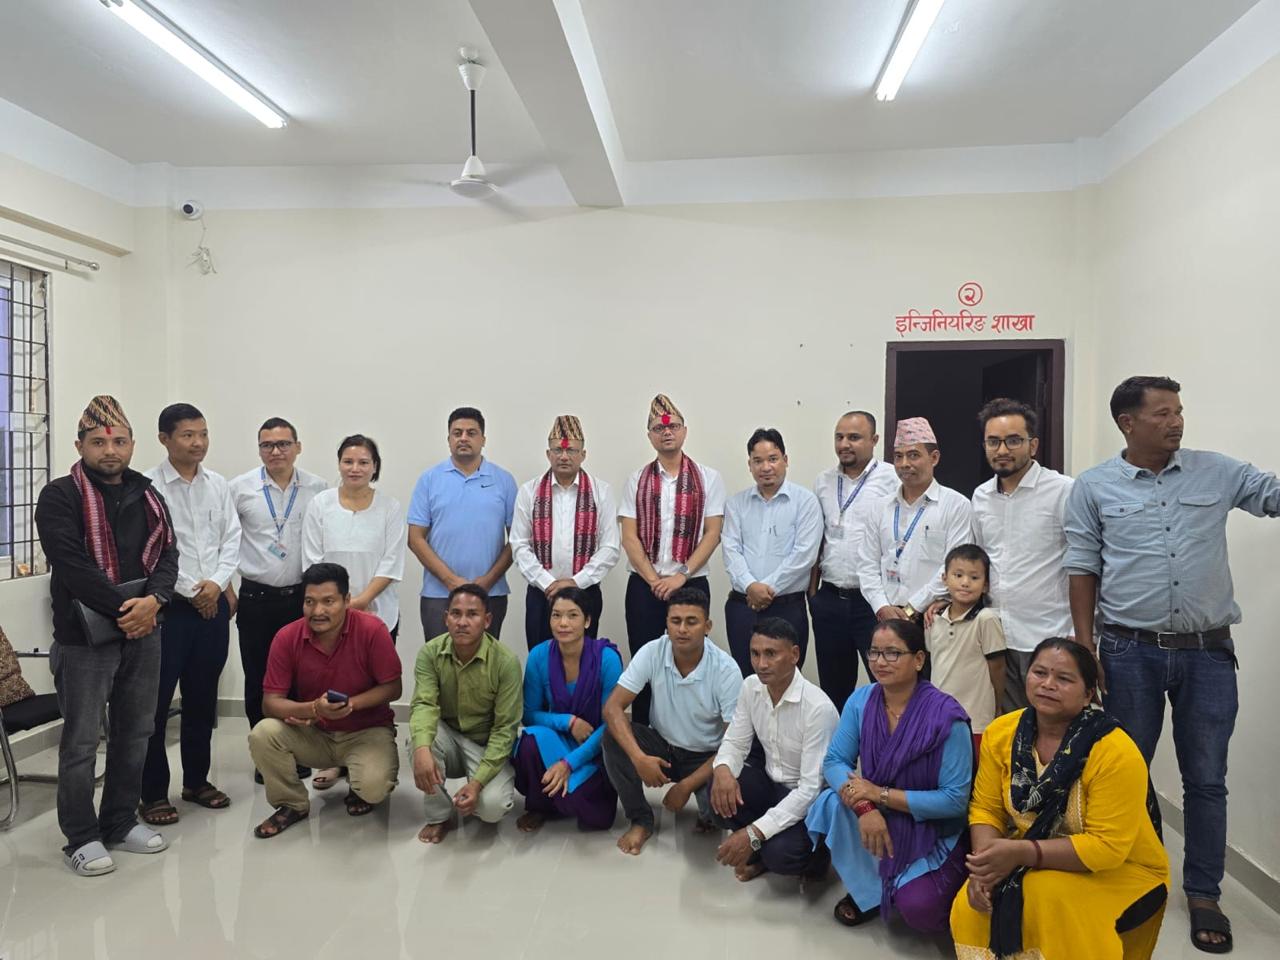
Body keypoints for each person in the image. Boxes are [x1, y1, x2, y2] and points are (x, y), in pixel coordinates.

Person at [1065, 375, 1279, 953]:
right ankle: (1132, 874)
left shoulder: (1218, 471)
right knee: (1124, 773)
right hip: (1127, 651)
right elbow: (1082, 566)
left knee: (1206, 778)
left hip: (1207, 653)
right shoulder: (1094, 487)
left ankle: (1204, 892)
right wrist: (1085, 646)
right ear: (1127, 422)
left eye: (1178, 411)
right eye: (1161, 413)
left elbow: (1272, 495)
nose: (1176, 421)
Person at [950, 638, 1170, 960]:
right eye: (1040, 673)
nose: (1048, 684)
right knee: (970, 907)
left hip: (1118, 868)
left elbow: (1107, 848)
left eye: (1064, 678)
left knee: (1045, 899)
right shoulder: (1002, 732)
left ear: (1088, 694)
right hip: (1026, 851)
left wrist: (1019, 853)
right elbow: (986, 808)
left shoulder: (1114, 751)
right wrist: (986, 868)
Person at [35, 396, 178, 876]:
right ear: (80, 446)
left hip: (144, 633)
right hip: (83, 639)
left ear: (132, 444)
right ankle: (81, 836)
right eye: (98, 442)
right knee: (81, 743)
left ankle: (118, 822)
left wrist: (155, 601)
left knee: (135, 732)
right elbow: (72, 565)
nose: (110, 450)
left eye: (118, 441)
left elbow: (168, 555)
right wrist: (128, 611)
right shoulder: (60, 496)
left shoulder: (148, 494)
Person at [806, 619, 972, 932]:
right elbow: (835, 761)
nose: (880, 662)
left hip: (929, 826)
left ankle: (899, 883)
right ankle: (872, 891)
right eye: (874, 652)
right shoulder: (861, 700)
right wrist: (865, 808)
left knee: (919, 909)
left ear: (919, 659)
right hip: (878, 814)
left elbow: (954, 801)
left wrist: (879, 795)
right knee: (830, 802)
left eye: (893, 653)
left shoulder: (947, 718)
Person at [140, 403, 241, 826]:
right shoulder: (147, 487)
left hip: (212, 606)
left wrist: (216, 583)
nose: (198, 443)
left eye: (203, 433)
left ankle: (197, 781)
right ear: (164, 439)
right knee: (156, 704)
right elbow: (151, 550)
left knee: (202, 699)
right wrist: (194, 591)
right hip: (168, 609)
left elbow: (231, 538)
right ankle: (152, 794)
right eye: (187, 435)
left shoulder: (218, 484)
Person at [247, 563, 403, 838]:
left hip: (366, 731)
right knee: (263, 733)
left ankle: (358, 783)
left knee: (373, 789)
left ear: (346, 600)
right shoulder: (287, 637)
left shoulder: (372, 630)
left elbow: (393, 688)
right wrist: (313, 709)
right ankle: (292, 803)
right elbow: (270, 703)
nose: (318, 611)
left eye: (328, 601)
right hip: (315, 732)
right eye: (310, 602)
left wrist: (350, 705)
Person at [601, 587, 741, 856]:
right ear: (666, 623)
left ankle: (706, 814)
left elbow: (733, 743)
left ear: (707, 626)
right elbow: (612, 708)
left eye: (692, 621)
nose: (682, 629)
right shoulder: (653, 651)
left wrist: (685, 786)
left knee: (720, 813)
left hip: (705, 756)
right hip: (662, 746)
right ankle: (640, 819)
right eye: (675, 621)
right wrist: (639, 759)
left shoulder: (726, 670)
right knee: (612, 737)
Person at [302, 433, 406, 792]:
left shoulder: (390, 508)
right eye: (348, 461)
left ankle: (370, 755)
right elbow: (313, 560)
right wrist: (336, 606)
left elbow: (391, 562)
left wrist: (358, 603)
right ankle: (333, 759)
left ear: (375, 467)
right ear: (339, 464)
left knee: (372, 687)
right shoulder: (321, 504)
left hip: (377, 613)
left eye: (363, 462)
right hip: (327, 614)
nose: (355, 468)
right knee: (329, 684)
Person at [618, 394, 725, 725]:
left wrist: (680, 576)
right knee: (644, 663)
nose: (667, 432)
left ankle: (691, 734)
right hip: (645, 585)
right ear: (649, 436)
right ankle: (643, 735)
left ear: (684, 431)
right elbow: (629, 536)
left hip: (691, 583)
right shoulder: (637, 480)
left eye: (673, 426)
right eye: (658, 428)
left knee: (691, 661)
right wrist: (654, 580)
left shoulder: (708, 478)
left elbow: (712, 533)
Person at [709, 618, 838, 882]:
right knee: (719, 787)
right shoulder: (751, 687)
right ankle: (760, 849)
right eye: (755, 653)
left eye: (771, 654)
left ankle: (817, 857)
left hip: (809, 802)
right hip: (771, 784)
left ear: (794, 655)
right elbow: (735, 742)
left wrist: (753, 832)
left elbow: (810, 790)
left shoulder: (818, 708)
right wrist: (722, 770)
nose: (761, 664)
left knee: (781, 854)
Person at [228, 417, 328, 754]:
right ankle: (265, 754)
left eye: (283, 444)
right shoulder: (240, 488)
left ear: (297, 447)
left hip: (301, 599)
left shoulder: (317, 488)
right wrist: (227, 588)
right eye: (267, 445)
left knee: (302, 677)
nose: (275, 451)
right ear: (259, 450)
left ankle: (300, 750)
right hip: (255, 598)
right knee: (259, 678)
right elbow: (223, 541)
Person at [970, 398, 1073, 711]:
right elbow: (977, 563)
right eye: (993, 441)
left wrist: (1083, 635)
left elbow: (1087, 564)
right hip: (997, 639)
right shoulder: (981, 496)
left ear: (1033, 445)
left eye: (1013, 440)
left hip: (1049, 637)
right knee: (1009, 726)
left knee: (1055, 726)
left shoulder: (1063, 491)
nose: (1002, 450)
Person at [409, 584, 522, 843]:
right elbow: (424, 704)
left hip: (485, 745)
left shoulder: (505, 662)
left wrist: (477, 783)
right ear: (445, 617)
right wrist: (422, 749)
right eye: (456, 613)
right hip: (447, 738)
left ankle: (478, 789)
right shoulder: (430, 653)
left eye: (472, 614)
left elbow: (505, 729)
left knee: (492, 809)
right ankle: (439, 816)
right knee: (420, 739)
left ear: (487, 620)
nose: (462, 622)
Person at [809, 411, 898, 712]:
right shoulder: (823, 481)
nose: (844, 444)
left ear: (874, 440)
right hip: (830, 599)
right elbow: (817, 539)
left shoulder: (892, 479)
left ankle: (885, 742)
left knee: (887, 685)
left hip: (872, 603)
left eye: (854, 437)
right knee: (834, 690)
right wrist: (813, 595)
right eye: (839, 437)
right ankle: (840, 743)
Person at [513, 587, 623, 832]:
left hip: (596, 744)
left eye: (572, 615)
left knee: (596, 818)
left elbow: (612, 724)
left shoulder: (607, 659)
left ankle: (562, 791)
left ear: (587, 621)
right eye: (556, 615)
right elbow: (529, 714)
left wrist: (568, 763)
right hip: (558, 738)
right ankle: (539, 806)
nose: (563, 623)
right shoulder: (539, 655)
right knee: (529, 743)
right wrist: (569, 722)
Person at [510, 415, 620, 651]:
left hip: (585, 592)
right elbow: (519, 545)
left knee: (584, 660)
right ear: (548, 454)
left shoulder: (601, 492)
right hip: (541, 593)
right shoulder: (529, 492)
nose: (563, 456)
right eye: (557, 450)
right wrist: (548, 584)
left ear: (583, 454)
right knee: (541, 659)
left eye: (571, 450)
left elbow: (610, 547)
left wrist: (576, 582)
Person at [407, 406, 519, 640]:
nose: (464, 438)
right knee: (439, 659)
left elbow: (517, 539)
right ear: (448, 439)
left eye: (471, 433)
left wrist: (487, 581)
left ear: (483, 439)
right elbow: (415, 538)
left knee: (486, 661)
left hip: (490, 593)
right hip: (439, 595)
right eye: (457, 433)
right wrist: (450, 580)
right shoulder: (429, 480)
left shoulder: (504, 480)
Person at [722, 427, 822, 675]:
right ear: (750, 465)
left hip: (787, 607)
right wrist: (750, 586)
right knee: (747, 679)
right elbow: (731, 550)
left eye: (773, 459)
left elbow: (805, 555)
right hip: (743, 607)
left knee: (786, 679)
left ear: (785, 460)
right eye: (758, 461)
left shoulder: (805, 501)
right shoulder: (736, 503)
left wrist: (766, 589)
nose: (765, 467)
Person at [857, 417, 973, 625]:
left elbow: (955, 568)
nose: (904, 464)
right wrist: (881, 606)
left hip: (932, 616)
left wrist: (912, 608)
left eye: (913, 455)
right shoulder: (880, 507)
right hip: (884, 616)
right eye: (898, 456)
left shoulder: (956, 505)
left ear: (934, 458)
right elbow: (867, 563)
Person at [925, 544, 1006, 750]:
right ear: (945, 579)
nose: (965, 582)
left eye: (974, 577)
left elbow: (998, 668)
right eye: (958, 575)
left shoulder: (986, 619)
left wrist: (998, 707)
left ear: (986, 585)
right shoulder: (934, 619)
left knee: (972, 768)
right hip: (938, 717)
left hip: (976, 721)